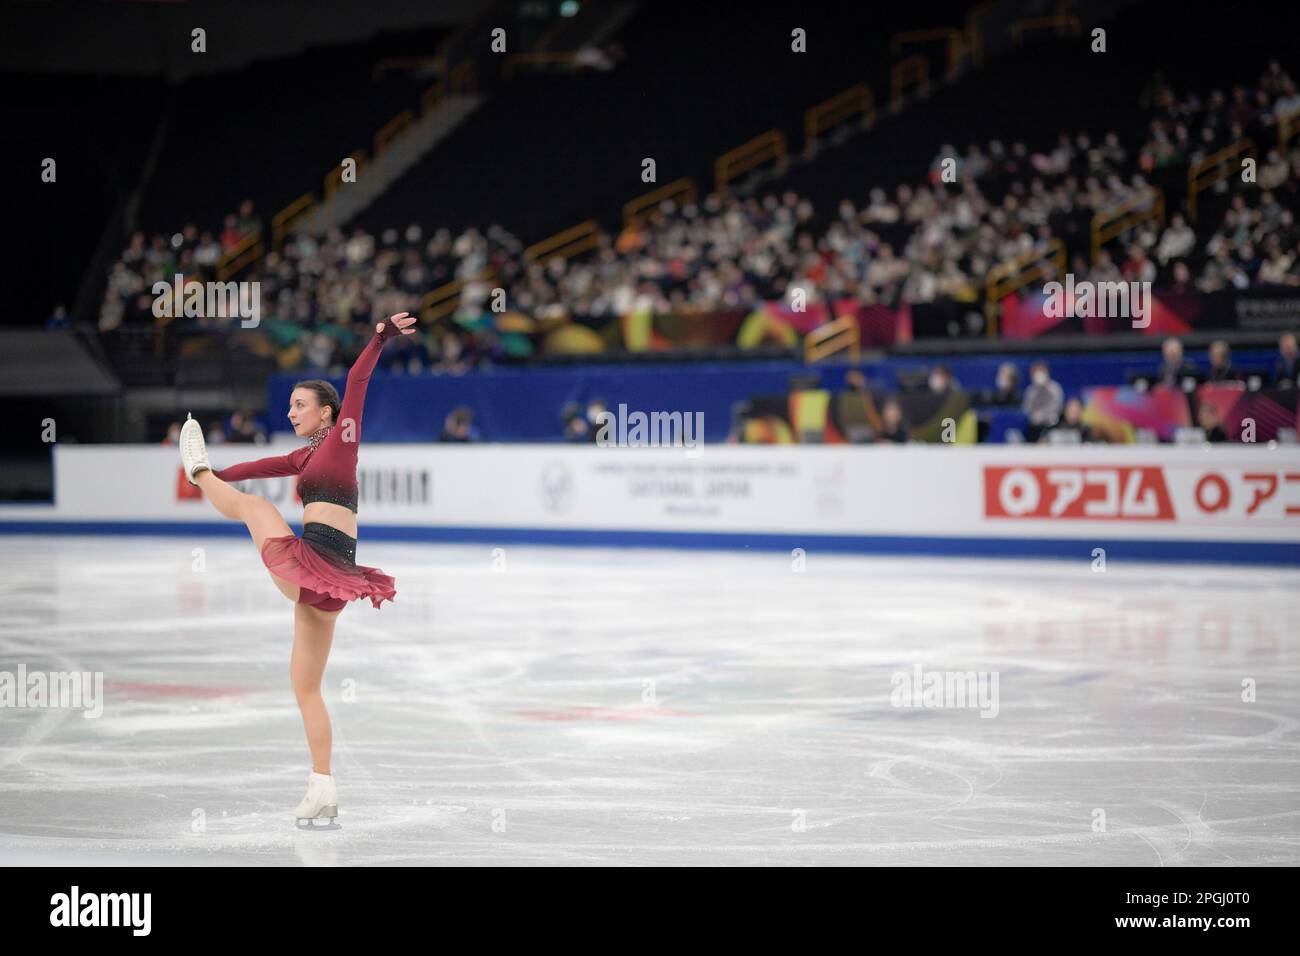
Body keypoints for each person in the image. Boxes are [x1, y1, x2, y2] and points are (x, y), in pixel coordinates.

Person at [176, 311, 415, 829]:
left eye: (300, 405)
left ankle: (192, 470)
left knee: (256, 510)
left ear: (328, 414)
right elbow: (252, 469)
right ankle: (322, 788)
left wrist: (378, 337)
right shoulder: (302, 458)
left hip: (318, 566)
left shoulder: (343, 438)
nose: (291, 412)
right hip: (328, 583)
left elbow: (357, 380)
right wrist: (222, 472)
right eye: (288, 406)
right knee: (305, 687)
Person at [1021, 361, 1063, 441]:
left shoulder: (1054, 388)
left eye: (1041, 372)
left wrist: (1046, 389)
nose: (1039, 375)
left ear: (1046, 373)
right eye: (1036, 372)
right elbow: (1026, 409)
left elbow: (1058, 407)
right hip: (1035, 426)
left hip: (1051, 424)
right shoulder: (1030, 390)